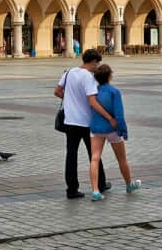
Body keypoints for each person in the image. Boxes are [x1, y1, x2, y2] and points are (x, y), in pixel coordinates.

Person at [55, 49, 107, 199]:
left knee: (71, 155)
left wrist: (70, 99)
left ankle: (71, 189)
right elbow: (92, 101)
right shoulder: (88, 77)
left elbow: (57, 91)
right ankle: (101, 183)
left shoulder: (69, 72)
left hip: (69, 121)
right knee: (94, 154)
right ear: (93, 62)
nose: (97, 66)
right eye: (97, 63)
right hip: (85, 122)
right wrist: (107, 116)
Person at [87, 64, 141, 201]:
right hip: (112, 129)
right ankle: (129, 184)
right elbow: (119, 114)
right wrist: (123, 131)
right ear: (110, 76)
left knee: (95, 158)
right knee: (121, 159)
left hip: (96, 128)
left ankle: (95, 190)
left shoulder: (94, 91)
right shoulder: (114, 92)